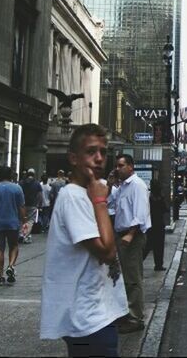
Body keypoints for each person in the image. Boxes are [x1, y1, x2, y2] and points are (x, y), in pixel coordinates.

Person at [40, 123, 127, 357]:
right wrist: (100, 201)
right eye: (91, 151)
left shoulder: (87, 192)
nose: (99, 158)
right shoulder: (74, 197)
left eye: (103, 151)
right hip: (88, 320)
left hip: (96, 311)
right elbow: (107, 252)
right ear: (73, 158)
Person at [113, 154, 151, 333]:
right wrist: (108, 183)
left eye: (121, 166)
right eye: (117, 166)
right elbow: (109, 204)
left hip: (132, 237)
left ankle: (136, 318)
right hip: (121, 235)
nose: (118, 169)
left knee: (133, 278)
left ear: (131, 167)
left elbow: (140, 213)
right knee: (125, 277)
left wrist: (130, 234)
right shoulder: (122, 187)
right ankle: (127, 314)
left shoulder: (137, 185)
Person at [0, 165, 25, 286]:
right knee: (13, 246)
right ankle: (11, 265)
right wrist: (24, 220)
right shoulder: (17, 189)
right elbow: (21, 207)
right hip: (13, 222)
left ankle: (1, 276)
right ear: (11, 175)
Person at [20, 169, 42, 244]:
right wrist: (39, 204)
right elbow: (39, 195)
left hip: (22, 204)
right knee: (30, 221)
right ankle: (25, 236)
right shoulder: (37, 183)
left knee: (22, 220)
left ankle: (20, 233)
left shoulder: (22, 182)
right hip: (32, 205)